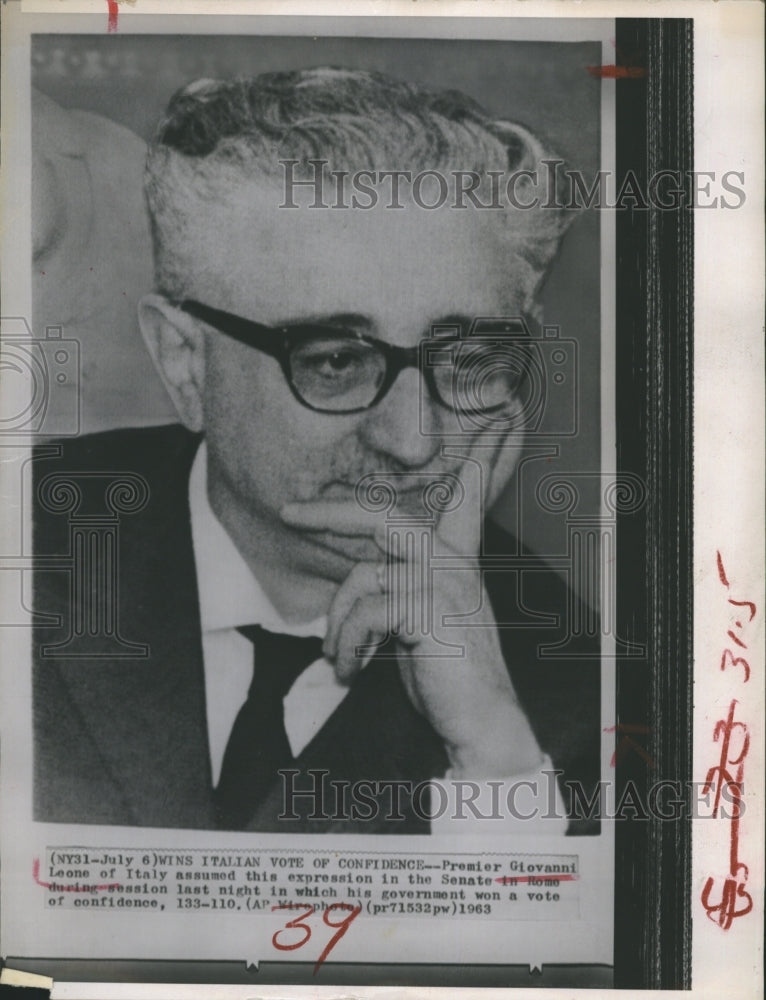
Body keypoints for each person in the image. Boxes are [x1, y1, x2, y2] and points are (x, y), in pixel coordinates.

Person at [32, 68, 600, 834]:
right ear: (184, 363)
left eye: (466, 360)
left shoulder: (585, 692)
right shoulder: (25, 543)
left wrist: (495, 762)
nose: (413, 441)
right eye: (335, 361)